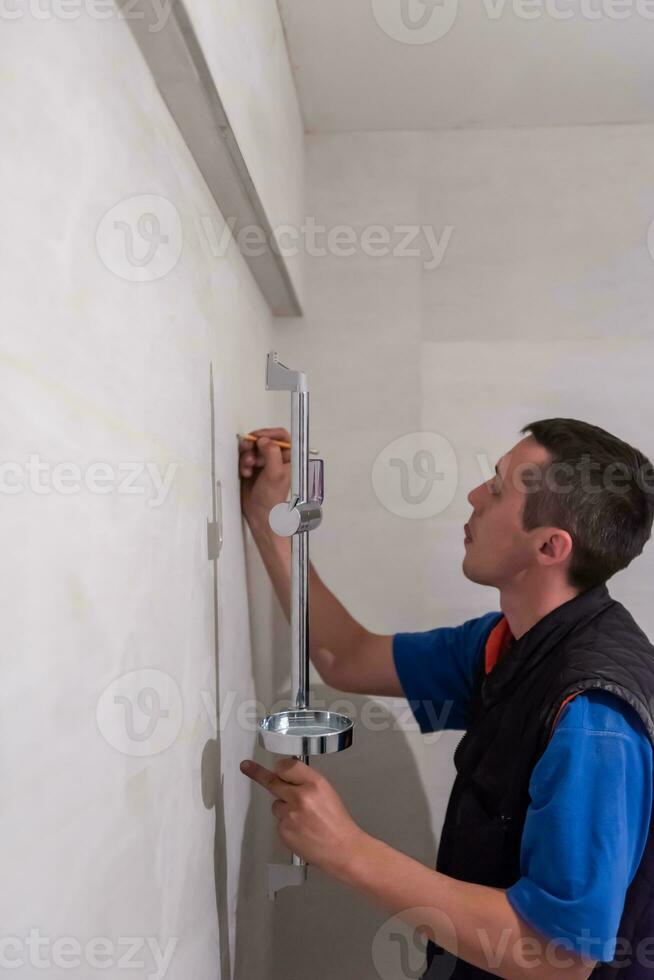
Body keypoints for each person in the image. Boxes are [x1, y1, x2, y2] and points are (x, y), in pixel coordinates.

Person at [238, 418, 654, 980]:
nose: (475, 495)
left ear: (550, 546)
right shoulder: (506, 643)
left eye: (500, 488)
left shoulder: (592, 717)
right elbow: (346, 655)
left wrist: (346, 849)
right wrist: (269, 519)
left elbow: (557, 957)